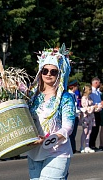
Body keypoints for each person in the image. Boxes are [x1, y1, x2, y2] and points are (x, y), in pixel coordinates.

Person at [27, 44, 75, 179]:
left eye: (53, 72)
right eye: (45, 71)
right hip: (34, 152)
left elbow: (68, 127)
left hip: (57, 152)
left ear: (60, 74)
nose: (48, 74)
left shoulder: (66, 98)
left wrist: (49, 139)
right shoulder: (32, 96)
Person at [89, 77, 103, 150]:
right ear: (96, 83)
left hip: (98, 111)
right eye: (99, 82)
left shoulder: (97, 92)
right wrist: (100, 103)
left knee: (96, 129)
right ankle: (91, 144)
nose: (100, 84)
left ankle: (93, 144)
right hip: (93, 112)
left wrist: (101, 105)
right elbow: (92, 102)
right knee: (93, 129)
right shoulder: (92, 92)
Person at [80, 85, 98, 153]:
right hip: (86, 116)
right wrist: (93, 107)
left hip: (91, 116)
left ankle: (87, 146)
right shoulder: (84, 98)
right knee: (85, 131)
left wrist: (96, 107)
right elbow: (85, 108)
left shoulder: (89, 98)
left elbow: (92, 106)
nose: (91, 91)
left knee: (89, 131)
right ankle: (82, 146)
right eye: (90, 90)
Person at [68, 80, 80, 154]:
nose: (77, 88)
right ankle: (71, 148)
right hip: (72, 116)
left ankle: (73, 147)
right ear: (73, 87)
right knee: (71, 133)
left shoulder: (74, 95)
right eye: (76, 87)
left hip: (75, 116)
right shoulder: (69, 95)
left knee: (74, 133)